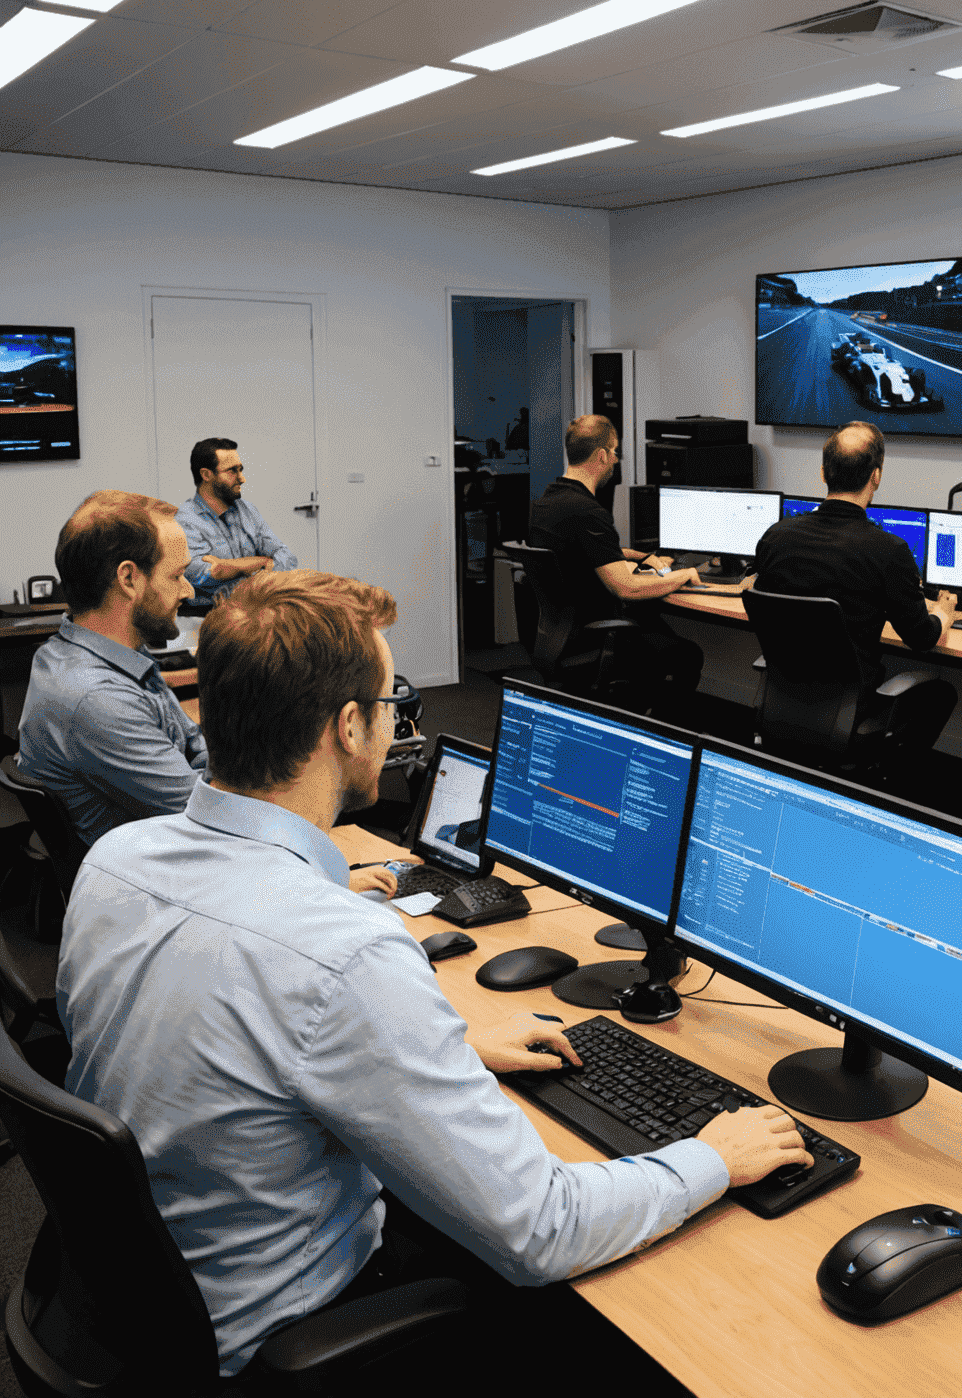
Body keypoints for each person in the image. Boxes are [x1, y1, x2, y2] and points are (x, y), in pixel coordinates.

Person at [55, 569, 812, 1379]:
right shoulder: (344, 952)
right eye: (390, 706)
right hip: (282, 1332)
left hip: (141, 1297)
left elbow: (226, 1045)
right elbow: (542, 1232)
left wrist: (446, 1053)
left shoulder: (115, 860)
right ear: (348, 727)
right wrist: (712, 1158)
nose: (395, 725)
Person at [750, 421, 960, 761]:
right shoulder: (888, 550)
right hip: (849, 716)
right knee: (941, 693)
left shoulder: (775, 537)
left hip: (781, 707)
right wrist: (943, 613)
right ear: (876, 477)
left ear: (823, 473)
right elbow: (921, 639)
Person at [17, 490, 207, 847]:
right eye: (177, 575)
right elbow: (206, 816)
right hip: (150, 879)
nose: (189, 590)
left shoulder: (83, 652)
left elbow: (193, 741)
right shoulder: (96, 698)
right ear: (129, 579)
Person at [528, 414, 704, 712]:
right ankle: (655, 731)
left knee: (658, 628)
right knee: (687, 654)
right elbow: (627, 588)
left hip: (560, 634)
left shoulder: (546, 503)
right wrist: (682, 574)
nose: (615, 460)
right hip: (596, 636)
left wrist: (641, 557)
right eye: (614, 452)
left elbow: (583, 551)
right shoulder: (588, 512)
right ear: (601, 455)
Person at [176, 436, 298, 607]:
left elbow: (286, 557)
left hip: (256, 608)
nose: (242, 479)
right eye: (232, 471)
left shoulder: (247, 510)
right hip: (210, 614)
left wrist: (229, 568)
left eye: (241, 470)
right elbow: (198, 575)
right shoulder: (186, 519)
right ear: (206, 474)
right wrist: (261, 562)